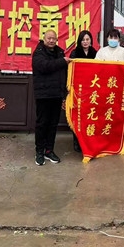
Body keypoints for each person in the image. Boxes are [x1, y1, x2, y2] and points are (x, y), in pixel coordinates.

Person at [32, 29, 71, 166]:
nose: (51, 40)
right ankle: (39, 152)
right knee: (42, 124)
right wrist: (62, 61)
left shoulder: (59, 52)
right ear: (44, 39)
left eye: (54, 38)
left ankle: (49, 150)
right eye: (49, 38)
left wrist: (64, 92)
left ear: (57, 40)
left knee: (53, 124)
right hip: (43, 95)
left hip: (56, 94)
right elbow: (45, 66)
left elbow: (63, 73)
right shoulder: (39, 53)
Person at [69, 30, 97, 152]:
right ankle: (77, 141)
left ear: (91, 41)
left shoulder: (95, 53)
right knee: (78, 117)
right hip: (78, 89)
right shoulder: (74, 53)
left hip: (92, 90)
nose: (85, 42)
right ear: (79, 41)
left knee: (89, 117)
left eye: (87, 39)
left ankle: (89, 141)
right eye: (83, 40)